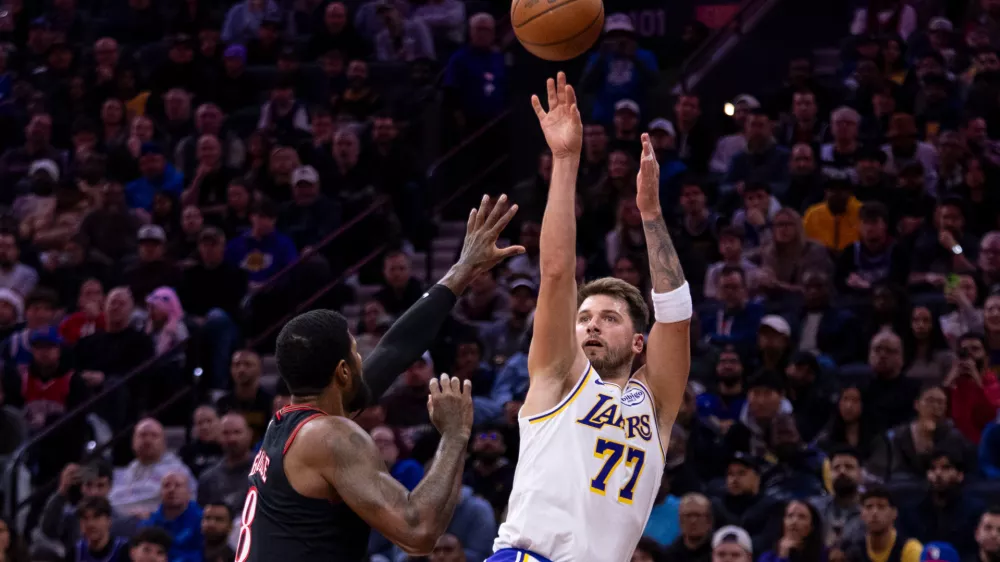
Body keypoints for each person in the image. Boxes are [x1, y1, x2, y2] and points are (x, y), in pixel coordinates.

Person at [234, 194, 525, 560]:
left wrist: (463, 270)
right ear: (342, 372)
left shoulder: (288, 427)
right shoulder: (331, 436)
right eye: (356, 353)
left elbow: (394, 349)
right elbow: (417, 533)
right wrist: (455, 435)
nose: (363, 358)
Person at [490, 72, 691, 562]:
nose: (591, 325)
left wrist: (649, 215)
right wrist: (565, 161)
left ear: (639, 342)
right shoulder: (559, 376)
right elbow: (557, 274)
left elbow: (677, 315)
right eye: (584, 318)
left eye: (609, 318)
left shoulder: (654, 405)